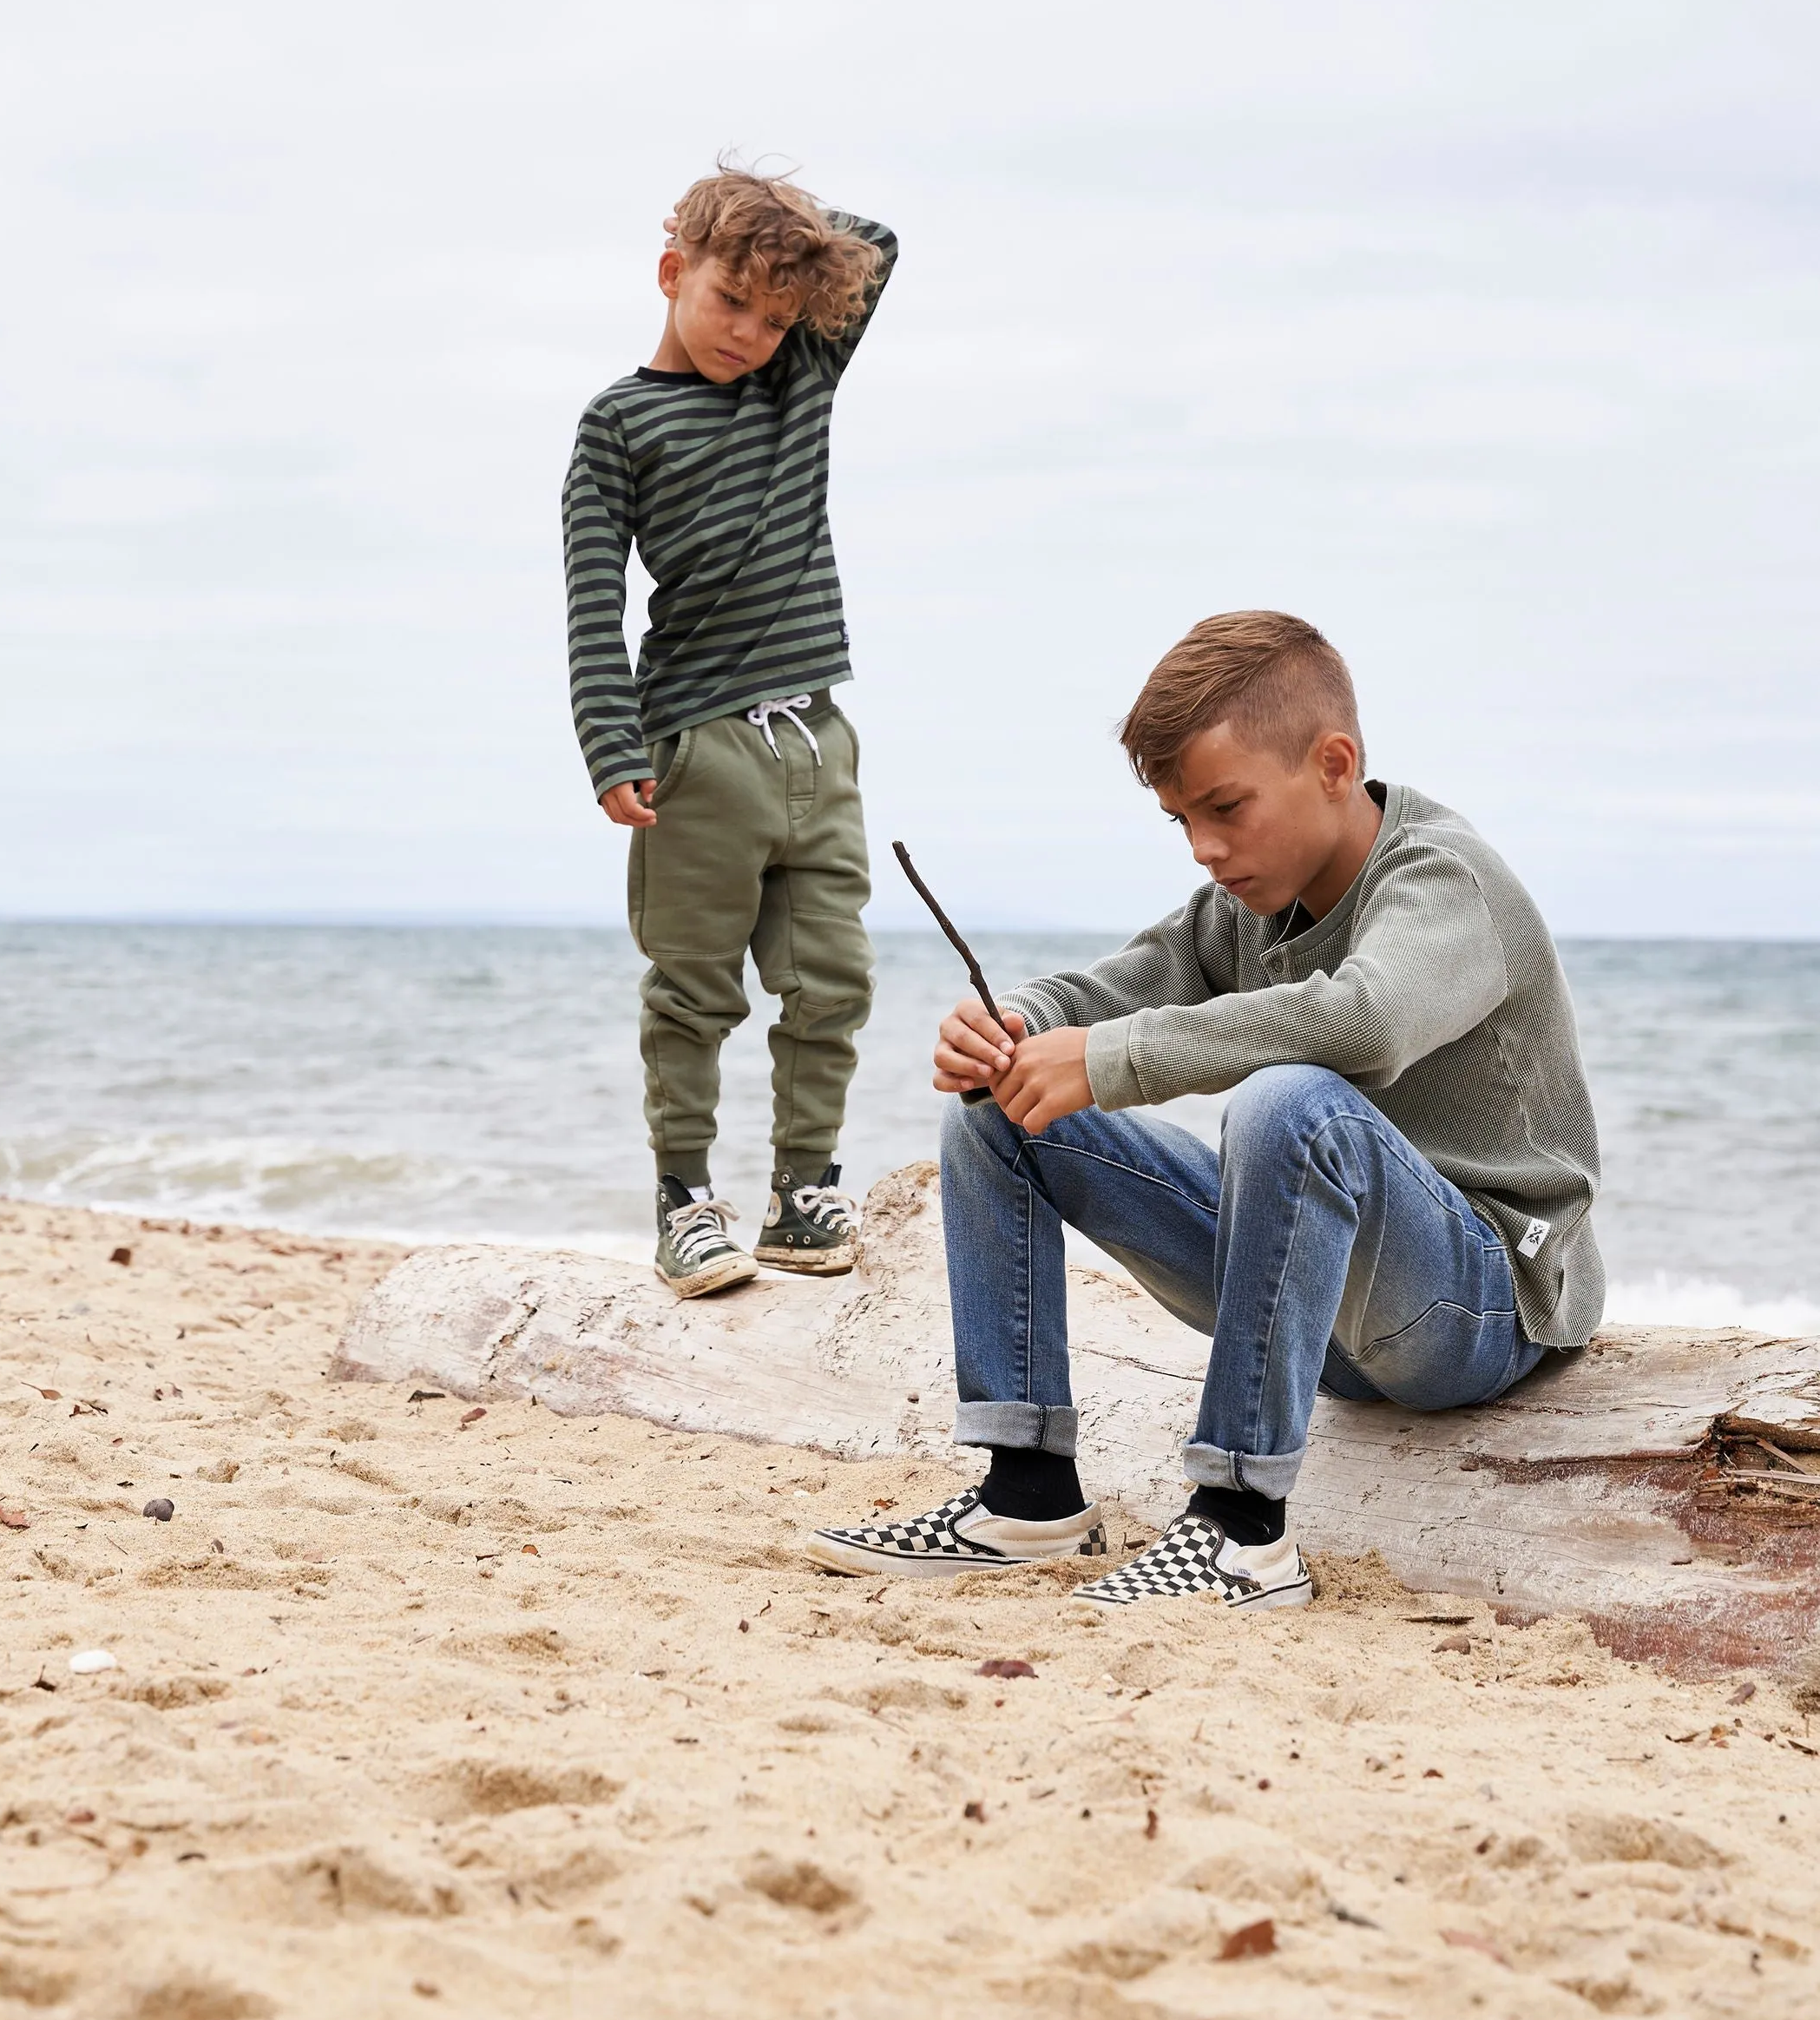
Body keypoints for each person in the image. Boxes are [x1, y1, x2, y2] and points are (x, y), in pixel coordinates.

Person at [809, 609, 1604, 1608]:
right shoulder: (1252, 904)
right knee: (1000, 1105)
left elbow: (1369, 1021)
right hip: (1321, 1312)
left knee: (1290, 1105)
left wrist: (1113, 1059)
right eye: (1183, 821)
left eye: (1226, 807)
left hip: (1483, 1304)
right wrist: (1017, 1026)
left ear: (1333, 762)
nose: (1203, 847)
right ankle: (1027, 1494)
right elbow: (1122, 987)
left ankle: (1240, 1531)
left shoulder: (1444, 882)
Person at [562, 166, 897, 1299]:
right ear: (670, 274)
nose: (750, 334)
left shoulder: (798, 376)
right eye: (725, 302)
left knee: (831, 977)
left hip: (819, 738)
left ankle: (805, 1191)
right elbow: (590, 593)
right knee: (693, 989)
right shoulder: (618, 421)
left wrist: (777, 250)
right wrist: (610, 744)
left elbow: (877, 243)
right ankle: (683, 1201)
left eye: (772, 315)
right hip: (696, 745)